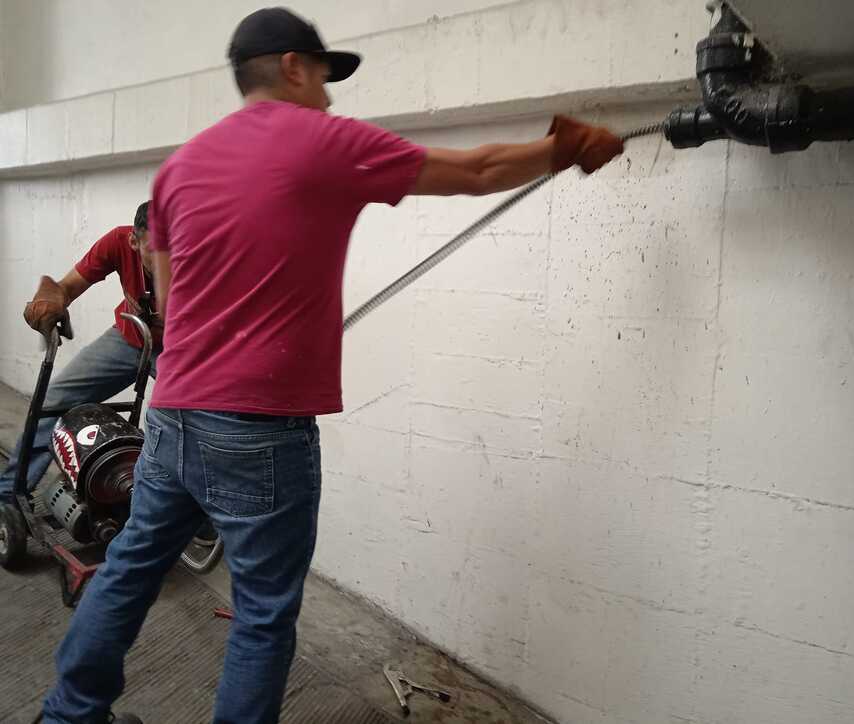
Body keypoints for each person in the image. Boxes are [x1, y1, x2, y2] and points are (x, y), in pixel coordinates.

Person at [39, 7, 624, 724]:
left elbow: (171, 298)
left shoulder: (178, 168)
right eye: (322, 76)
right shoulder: (321, 140)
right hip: (258, 433)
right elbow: (475, 171)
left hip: (174, 416)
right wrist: (560, 150)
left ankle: (69, 714)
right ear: (291, 66)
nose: (329, 95)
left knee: (129, 569)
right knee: (261, 614)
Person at [0, 202, 162, 505]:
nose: (167, 260)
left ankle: (183, 511)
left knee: (174, 424)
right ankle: (9, 497)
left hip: (181, 349)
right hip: (129, 338)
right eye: (154, 250)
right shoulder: (117, 241)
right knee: (53, 401)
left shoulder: (200, 253)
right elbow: (67, 286)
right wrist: (51, 299)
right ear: (134, 241)